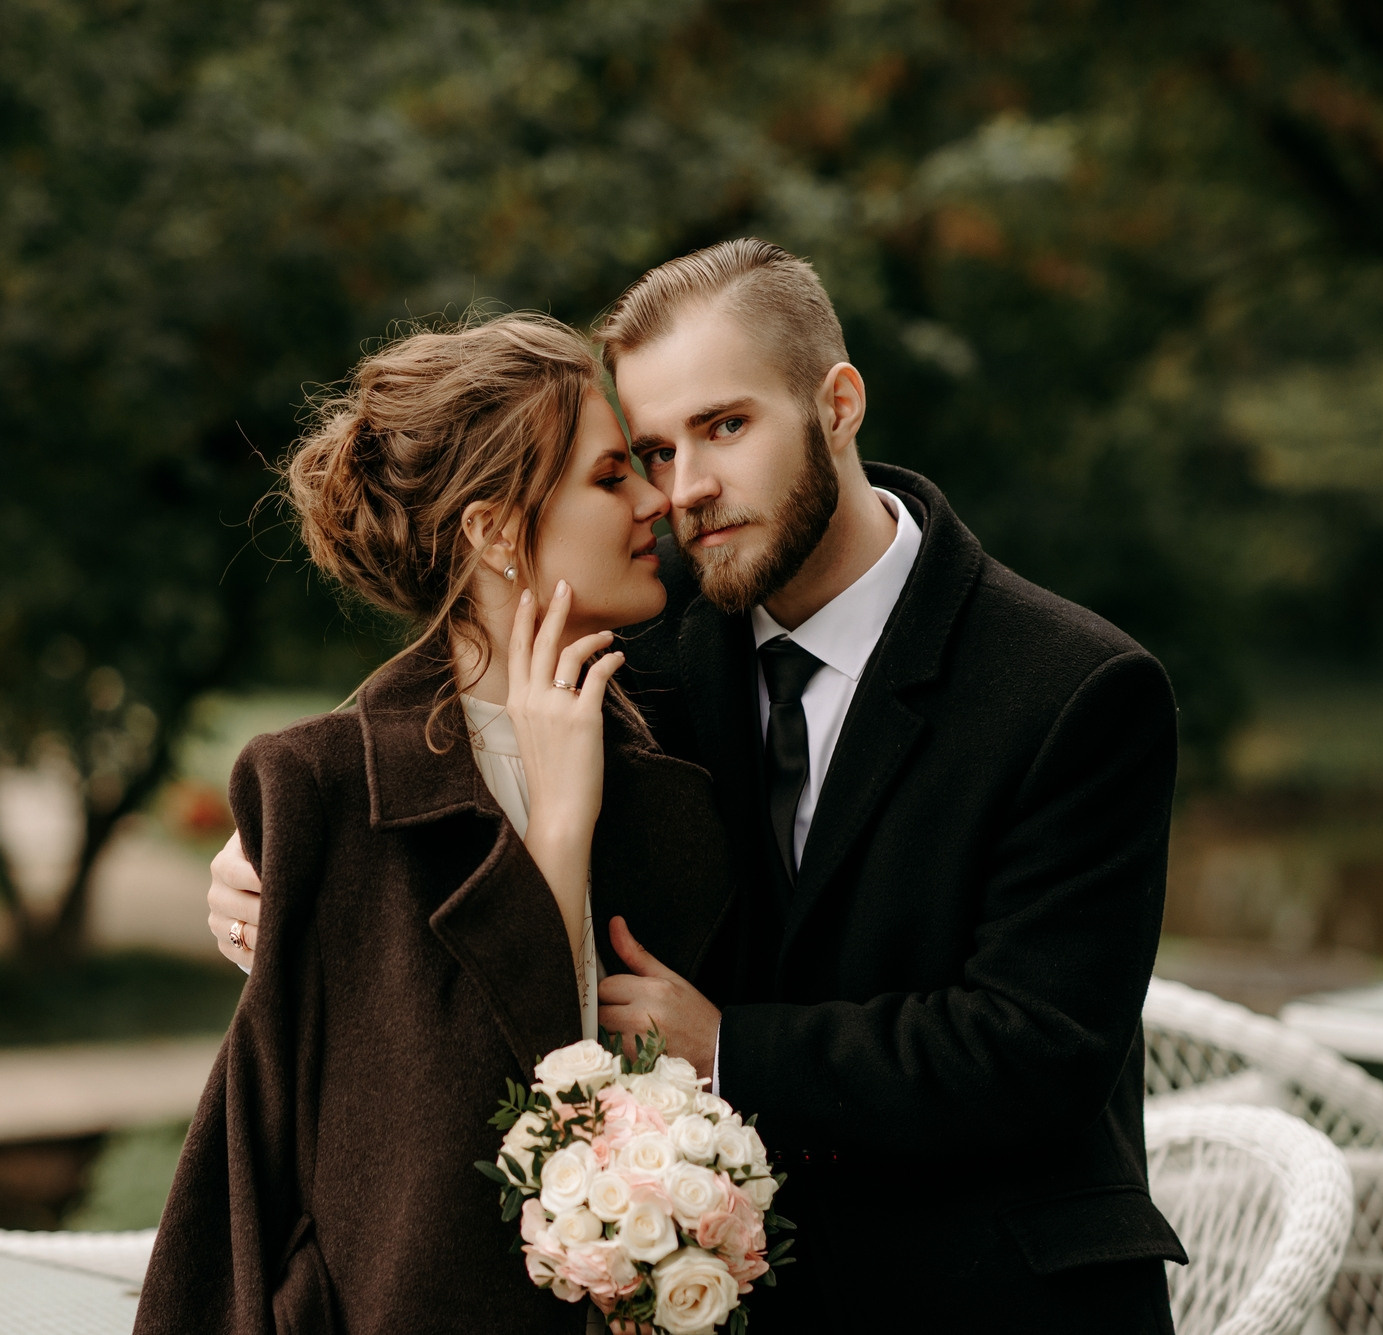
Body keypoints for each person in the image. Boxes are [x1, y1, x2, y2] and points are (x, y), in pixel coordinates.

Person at [206, 240, 1188, 1333]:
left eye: (725, 427)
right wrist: (285, 831)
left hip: (994, 1291)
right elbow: (484, 644)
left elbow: (1035, 1050)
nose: (686, 490)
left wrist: (726, 1050)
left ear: (838, 402)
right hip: (726, 1296)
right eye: (654, 449)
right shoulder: (659, 643)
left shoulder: (1074, 687)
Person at [136, 314, 735, 1334]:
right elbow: (454, 1156)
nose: (656, 501)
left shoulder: (678, 757)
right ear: (495, 531)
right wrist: (554, 830)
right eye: (608, 477)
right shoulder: (320, 794)